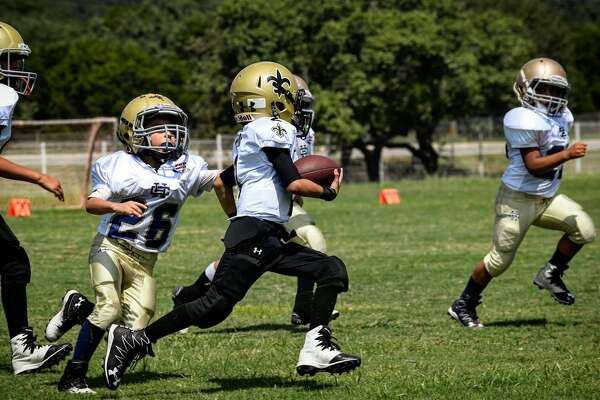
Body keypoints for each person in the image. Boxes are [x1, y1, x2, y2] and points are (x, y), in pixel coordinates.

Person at [102, 61, 361, 390]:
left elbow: (224, 183)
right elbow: (294, 184)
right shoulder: (271, 128)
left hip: (264, 233)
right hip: (258, 232)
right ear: (272, 97)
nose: (296, 104)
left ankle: (316, 346)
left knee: (330, 270)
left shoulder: (251, 135)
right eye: (291, 96)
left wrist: (238, 221)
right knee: (213, 306)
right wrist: (329, 192)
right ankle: (132, 339)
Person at [44, 93, 235, 393]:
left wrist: (252, 168)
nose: (170, 134)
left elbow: (221, 180)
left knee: (132, 333)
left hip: (147, 261)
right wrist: (118, 207)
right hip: (112, 247)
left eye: (173, 127)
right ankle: (72, 377)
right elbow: (91, 203)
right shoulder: (118, 165)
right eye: (160, 127)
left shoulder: (186, 165)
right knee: (108, 310)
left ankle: (78, 309)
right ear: (133, 132)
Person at [170, 75, 339, 326]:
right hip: (260, 201)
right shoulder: (266, 129)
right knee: (293, 247)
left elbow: (297, 170)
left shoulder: (299, 131)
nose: (303, 109)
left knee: (251, 261)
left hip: (283, 202)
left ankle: (189, 294)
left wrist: (299, 191)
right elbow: (264, 174)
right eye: (297, 102)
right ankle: (303, 307)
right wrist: (323, 191)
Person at [448, 58, 596, 328]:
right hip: (516, 198)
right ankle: (464, 304)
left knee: (584, 230)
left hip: (546, 198)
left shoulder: (562, 116)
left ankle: (551, 274)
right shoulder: (522, 118)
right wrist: (567, 154)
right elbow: (534, 165)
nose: (550, 96)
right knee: (499, 260)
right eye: (544, 89)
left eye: (555, 90)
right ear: (525, 88)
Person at [0, 21, 72, 375]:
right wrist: (38, 176)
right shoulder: (2, 96)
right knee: (13, 262)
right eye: (10, 61)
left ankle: (22, 350)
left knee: (12, 261)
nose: (16, 70)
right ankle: (23, 351)